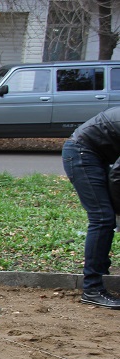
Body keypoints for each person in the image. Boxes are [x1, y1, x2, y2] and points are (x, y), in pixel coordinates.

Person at [62, 107, 120, 310]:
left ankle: (100, 272)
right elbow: (117, 177)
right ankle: (92, 289)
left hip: (94, 155)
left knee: (106, 218)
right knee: (103, 218)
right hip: (81, 153)